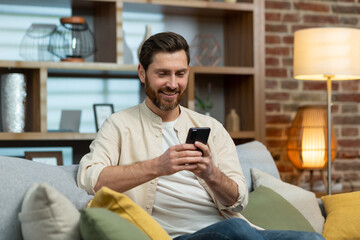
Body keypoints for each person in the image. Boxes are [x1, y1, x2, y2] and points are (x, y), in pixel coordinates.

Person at [77, 32, 324, 240]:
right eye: (163, 74)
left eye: (180, 74)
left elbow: (238, 200)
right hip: (180, 236)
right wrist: (157, 166)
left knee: (311, 238)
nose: (173, 84)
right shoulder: (119, 124)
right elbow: (91, 179)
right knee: (235, 230)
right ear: (142, 73)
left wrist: (210, 173)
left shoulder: (211, 127)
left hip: (237, 230)